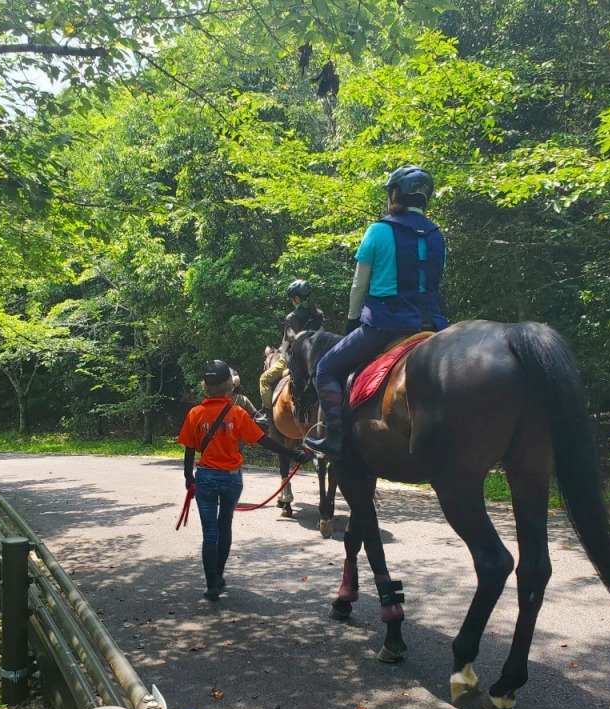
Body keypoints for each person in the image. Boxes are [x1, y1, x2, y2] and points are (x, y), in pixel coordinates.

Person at [303, 165, 448, 459]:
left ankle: (334, 437)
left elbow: (359, 285)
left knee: (326, 368)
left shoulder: (379, 230)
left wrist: (352, 320)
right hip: (431, 324)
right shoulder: (437, 235)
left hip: (385, 324)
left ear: (396, 193)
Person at [178, 360, 311, 601]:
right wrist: (293, 453)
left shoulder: (195, 413)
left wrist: (189, 479)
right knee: (224, 525)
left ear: (205, 387)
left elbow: (189, 450)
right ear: (230, 387)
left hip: (205, 478)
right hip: (231, 480)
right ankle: (218, 576)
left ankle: (211, 586)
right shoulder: (237, 413)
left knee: (209, 533)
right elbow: (265, 441)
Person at [254, 279, 325, 429]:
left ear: (297, 299)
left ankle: (267, 414)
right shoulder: (318, 315)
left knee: (264, 379)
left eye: (292, 299)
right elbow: (321, 335)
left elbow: (289, 342)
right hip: (316, 359)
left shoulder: (292, 317)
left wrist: (280, 353)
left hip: (295, 360)